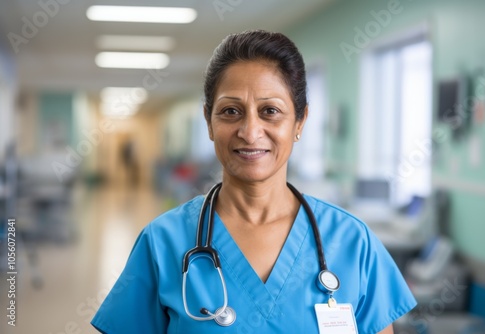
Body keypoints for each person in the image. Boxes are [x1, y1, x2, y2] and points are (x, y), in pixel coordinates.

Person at [91, 30, 416, 333]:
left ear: (300, 121)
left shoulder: (353, 242)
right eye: (231, 111)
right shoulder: (163, 242)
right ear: (209, 122)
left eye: (270, 111)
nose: (249, 131)